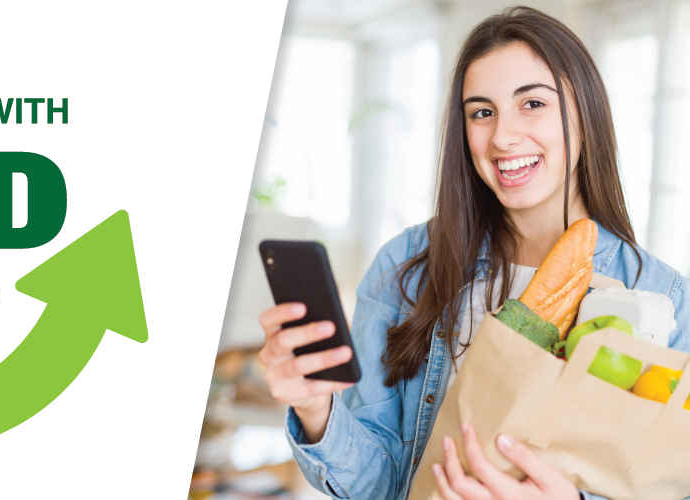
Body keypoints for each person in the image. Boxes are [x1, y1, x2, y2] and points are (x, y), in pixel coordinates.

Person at [257, 6, 690, 500]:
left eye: (532, 104)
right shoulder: (406, 267)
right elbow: (383, 484)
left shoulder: (664, 300)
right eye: (482, 112)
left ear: (586, 115)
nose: (502, 137)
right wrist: (318, 410)